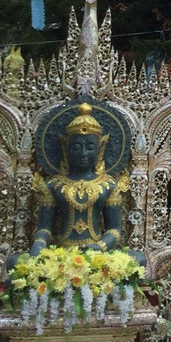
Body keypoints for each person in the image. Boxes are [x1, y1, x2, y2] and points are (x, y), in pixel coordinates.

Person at [30, 103, 128, 256]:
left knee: (138, 258)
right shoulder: (53, 185)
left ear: (100, 147)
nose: (83, 153)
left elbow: (114, 229)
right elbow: (44, 228)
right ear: (65, 147)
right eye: (76, 147)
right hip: (61, 254)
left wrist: (99, 247)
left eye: (90, 147)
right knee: (14, 262)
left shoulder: (108, 185)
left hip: (96, 255)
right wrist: (39, 244)